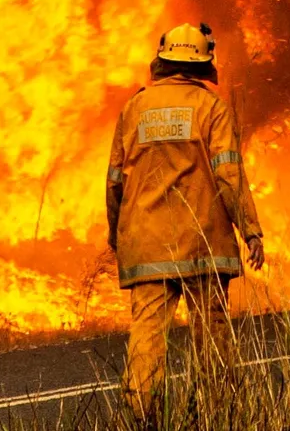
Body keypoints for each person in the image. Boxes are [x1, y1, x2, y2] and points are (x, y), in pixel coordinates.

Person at [105, 21, 264, 409]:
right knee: (212, 337)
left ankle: (142, 425)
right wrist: (250, 230)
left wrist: (118, 236)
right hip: (201, 243)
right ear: (202, 66)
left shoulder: (134, 109)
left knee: (146, 338)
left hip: (147, 243)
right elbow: (229, 175)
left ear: (161, 60)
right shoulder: (212, 108)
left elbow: (114, 182)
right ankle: (220, 419)